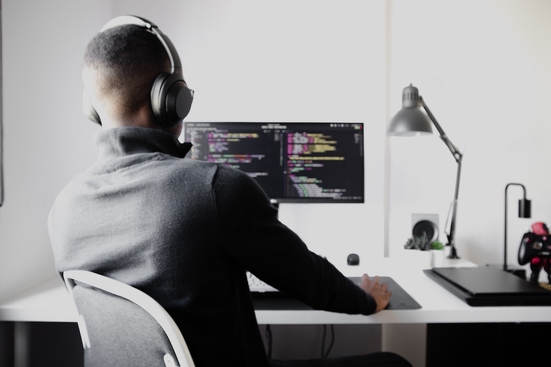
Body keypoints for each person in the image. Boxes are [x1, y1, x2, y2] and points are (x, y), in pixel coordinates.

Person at [48, 15, 412, 367]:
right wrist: (367, 299)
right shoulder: (214, 188)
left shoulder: (63, 209)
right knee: (393, 362)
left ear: (93, 107)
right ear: (170, 99)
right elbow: (313, 282)